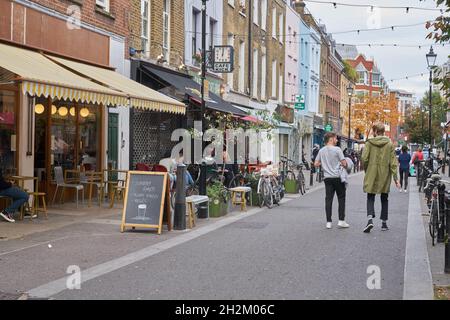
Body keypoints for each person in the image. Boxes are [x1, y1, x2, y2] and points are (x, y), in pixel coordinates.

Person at [362, 123, 400, 233]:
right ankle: (384, 223)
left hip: (372, 173)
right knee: (384, 197)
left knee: (370, 196)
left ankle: (370, 219)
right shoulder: (389, 144)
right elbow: (393, 162)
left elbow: (364, 158)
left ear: (375, 131)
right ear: (383, 131)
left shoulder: (369, 143)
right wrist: (396, 179)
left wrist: (367, 169)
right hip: (385, 174)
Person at [314, 132, 349, 229]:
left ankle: (328, 222)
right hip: (337, 177)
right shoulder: (337, 150)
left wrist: (324, 164)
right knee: (341, 198)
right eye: (335, 138)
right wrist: (344, 164)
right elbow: (344, 163)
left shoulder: (321, 151)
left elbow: (316, 163)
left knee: (328, 199)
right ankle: (341, 221)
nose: (337, 140)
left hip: (327, 178)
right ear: (331, 139)